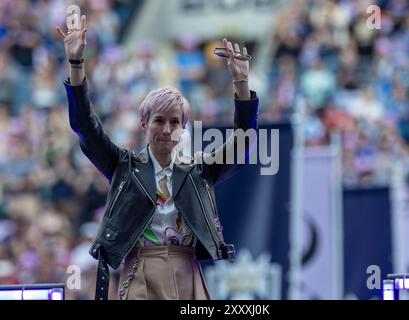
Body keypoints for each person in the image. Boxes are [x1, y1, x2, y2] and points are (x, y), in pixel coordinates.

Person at [56, 14, 259, 300]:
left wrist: (241, 83)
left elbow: (243, 143)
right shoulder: (123, 166)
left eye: (175, 122)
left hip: (187, 271)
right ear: (144, 124)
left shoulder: (200, 169)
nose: (167, 129)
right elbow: (85, 126)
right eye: (159, 121)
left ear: (184, 127)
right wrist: (76, 64)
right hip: (140, 272)